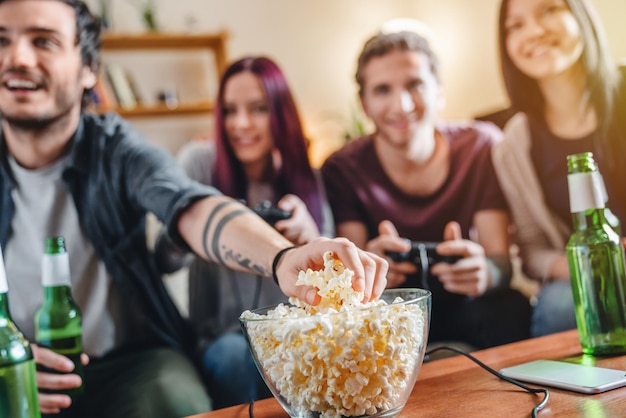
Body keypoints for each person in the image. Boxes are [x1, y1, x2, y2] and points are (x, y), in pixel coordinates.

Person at [0, 1, 388, 417]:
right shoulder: (201, 157)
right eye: (2, 41)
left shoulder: (118, 151)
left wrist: (282, 257)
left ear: (87, 68)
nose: (17, 58)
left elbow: (193, 207)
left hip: (137, 364)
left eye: (44, 41)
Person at [321, 29, 531, 350]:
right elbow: (354, 278)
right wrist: (369, 273)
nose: (402, 105)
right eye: (382, 90)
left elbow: (499, 258)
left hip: (469, 304)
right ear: (364, 104)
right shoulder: (343, 168)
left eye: (415, 85)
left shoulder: (479, 146)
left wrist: (485, 271)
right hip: (392, 311)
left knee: (509, 307)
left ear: (439, 92)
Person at [154, 55, 334, 409]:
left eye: (258, 109)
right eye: (230, 111)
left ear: (281, 114)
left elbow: (332, 284)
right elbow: (163, 259)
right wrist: (197, 228)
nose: (241, 124)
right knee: (236, 357)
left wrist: (311, 236)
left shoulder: (306, 179)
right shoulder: (198, 162)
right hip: (221, 337)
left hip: (292, 333)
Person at [492, 0, 626, 337]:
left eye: (549, 10)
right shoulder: (514, 144)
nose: (534, 31)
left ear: (580, 15)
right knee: (558, 305)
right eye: (516, 25)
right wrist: (586, 264)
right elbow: (533, 249)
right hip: (583, 278)